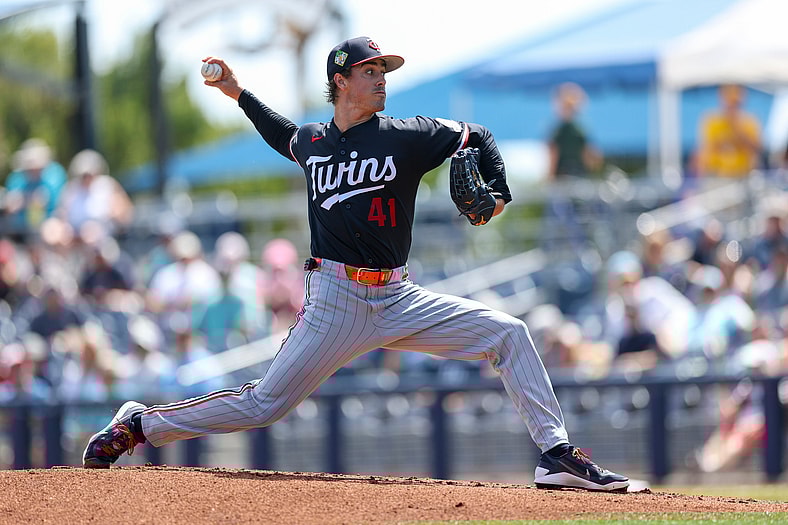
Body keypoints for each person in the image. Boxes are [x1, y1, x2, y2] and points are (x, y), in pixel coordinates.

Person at [81, 36, 628, 492]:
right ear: (340, 80)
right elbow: (282, 134)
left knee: (509, 333)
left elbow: (477, 135)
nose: (381, 79)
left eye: (383, 71)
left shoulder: (407, 135)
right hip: (335, 301)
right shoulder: (313, 142)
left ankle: (555, 454)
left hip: (399, 297)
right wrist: (237, 92)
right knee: (264, 405)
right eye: (370, 71)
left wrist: (500, 195)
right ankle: (140, 424)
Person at [695, 84, 762, 179]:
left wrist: (738, 129)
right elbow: (706, 150)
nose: (732, 107)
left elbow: (756, 148)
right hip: (716, 175)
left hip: (743, 174)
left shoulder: (749, 121)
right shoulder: (712, 121)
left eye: (735, 103)